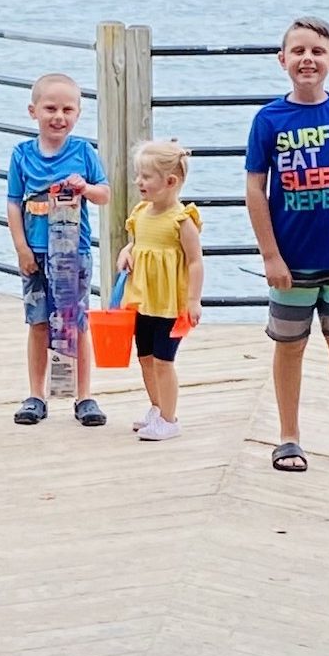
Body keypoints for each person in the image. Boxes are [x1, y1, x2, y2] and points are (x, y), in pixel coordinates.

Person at [244, 17, 329, 472]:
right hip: (291, 262)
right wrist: (270, 254)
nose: (308, 59)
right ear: (282, 59)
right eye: (298, 51)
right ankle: (288, 435)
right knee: (289, 346)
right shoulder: (268, 120)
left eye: (318, 52)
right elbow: (254, 188)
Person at [6, 72, 110, 426]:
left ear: (78, 113)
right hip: (36, 251)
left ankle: (84, 396)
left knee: (76, 322)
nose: (58, 116)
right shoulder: (21, 155)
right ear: (33, 111)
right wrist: (21, 248)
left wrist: (85, 187)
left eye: (67, 109)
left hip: (73, 253)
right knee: (38, 322)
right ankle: (36, 394)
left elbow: (105, 194)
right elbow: (13, 204)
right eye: (50, 108)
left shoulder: (83, 151)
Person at [115, 140, 204, 442]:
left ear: (170, 182)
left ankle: (169, 417)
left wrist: (193, 300)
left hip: (169, 303)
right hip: (144, 300)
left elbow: (194, 262)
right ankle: (156, 406)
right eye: (138, 175)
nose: (138, 181)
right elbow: (138, 243)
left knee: (165, 361)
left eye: (146, 176)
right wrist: (126, 252)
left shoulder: (182, 221)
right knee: (146, 357)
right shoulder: (141, 212)